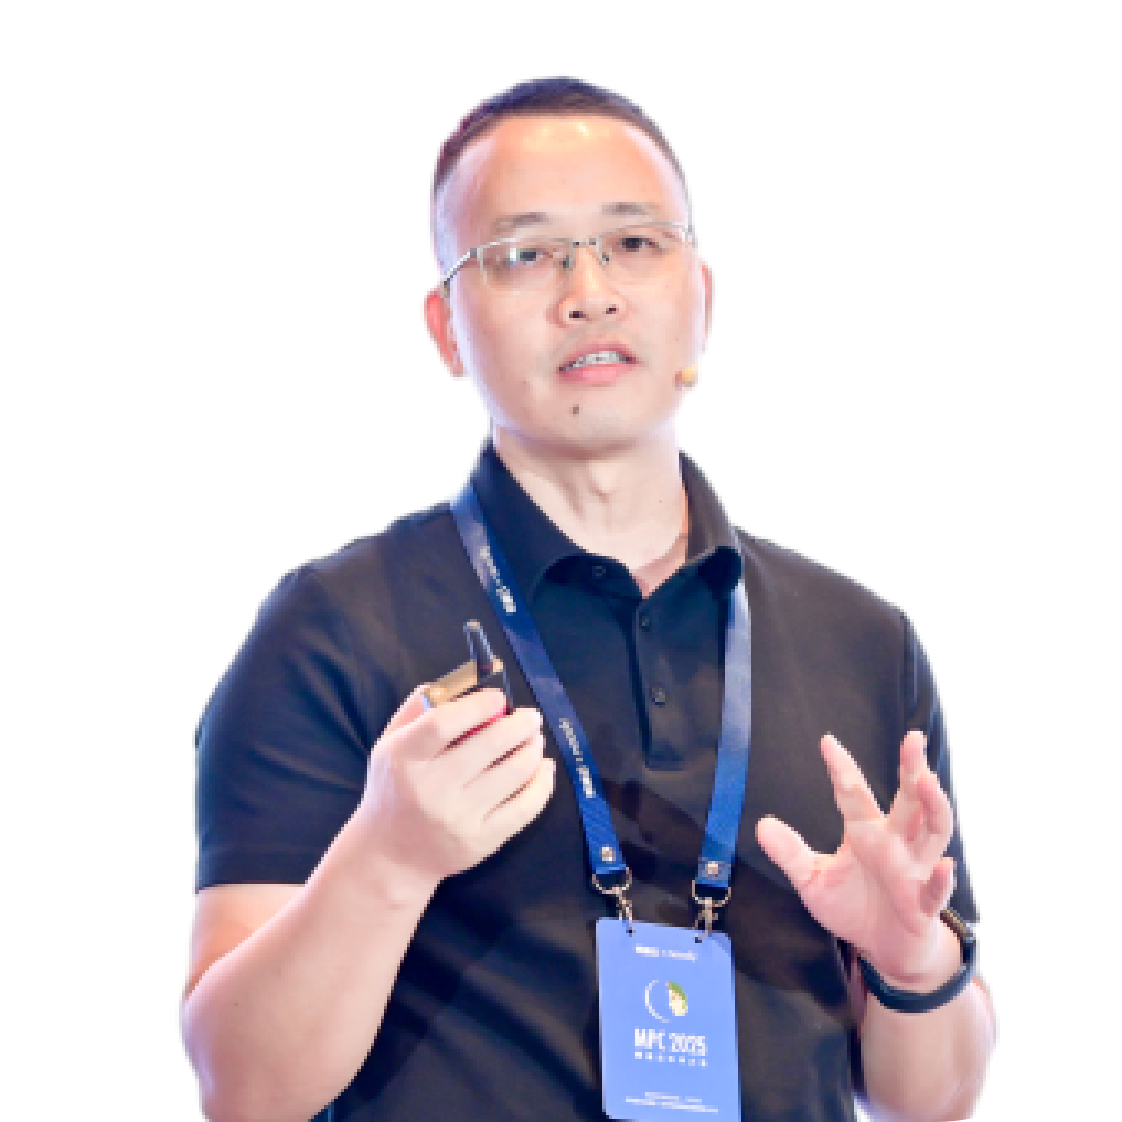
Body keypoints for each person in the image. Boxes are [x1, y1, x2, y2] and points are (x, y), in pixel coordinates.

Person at [180, 76, 998, 1122]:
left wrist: (912, 958)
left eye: (633, 243)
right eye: (525, 254)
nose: (589, 293)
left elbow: (936, 1099)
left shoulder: (862, 637)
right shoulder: (330, 627)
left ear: (704, 297)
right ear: (443, 327)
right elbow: (242, 1088)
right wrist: (387, 861)